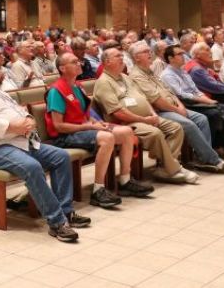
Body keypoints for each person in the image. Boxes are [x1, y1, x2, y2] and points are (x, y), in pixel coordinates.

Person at [0, 57, 87, 242]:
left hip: (19, 142)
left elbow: (19, 110)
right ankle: (57, 222)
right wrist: (15, 128)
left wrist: (28, 119)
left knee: (60, 156)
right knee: (32, 166)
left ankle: (66, 212)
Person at [46, 53, 153, 208]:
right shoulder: (56, 91)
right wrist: (90, 126)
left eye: (79, 61)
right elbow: (58, 126)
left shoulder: (78, 86)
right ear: (62, 68)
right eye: (74, 62)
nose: (79, 64)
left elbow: (85, 114)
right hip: (65, 136)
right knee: (107, 138)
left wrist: (97, 122)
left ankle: (125, 180)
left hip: (82, 130)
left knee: (126, 132)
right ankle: (98, 190)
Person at [129, 43, 224, 173]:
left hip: (174, 107)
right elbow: (157, 101)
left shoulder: (150, 72)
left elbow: (170, 93)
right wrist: (177, 110)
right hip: (161, 111)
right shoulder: (137, 76)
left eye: (149, 50)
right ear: (136, 58)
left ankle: (202, 158)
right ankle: (214, 160)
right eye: (146, 51)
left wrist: (180, 106)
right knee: (189, 124)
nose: (150, 53)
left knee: (202, 119)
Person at [93, 48, 198, 184]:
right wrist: (144, 119)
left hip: (146, 117)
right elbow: (118, 113)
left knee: (176, 128)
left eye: (122, 56)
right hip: (125, 123)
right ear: (107, 62)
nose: (122, 58)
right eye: (118, 56)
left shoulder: (124, 77)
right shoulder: (103, 82)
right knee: (155, 133)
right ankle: (174, 168)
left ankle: (166, 168)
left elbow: (142, 97)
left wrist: (153, 114)